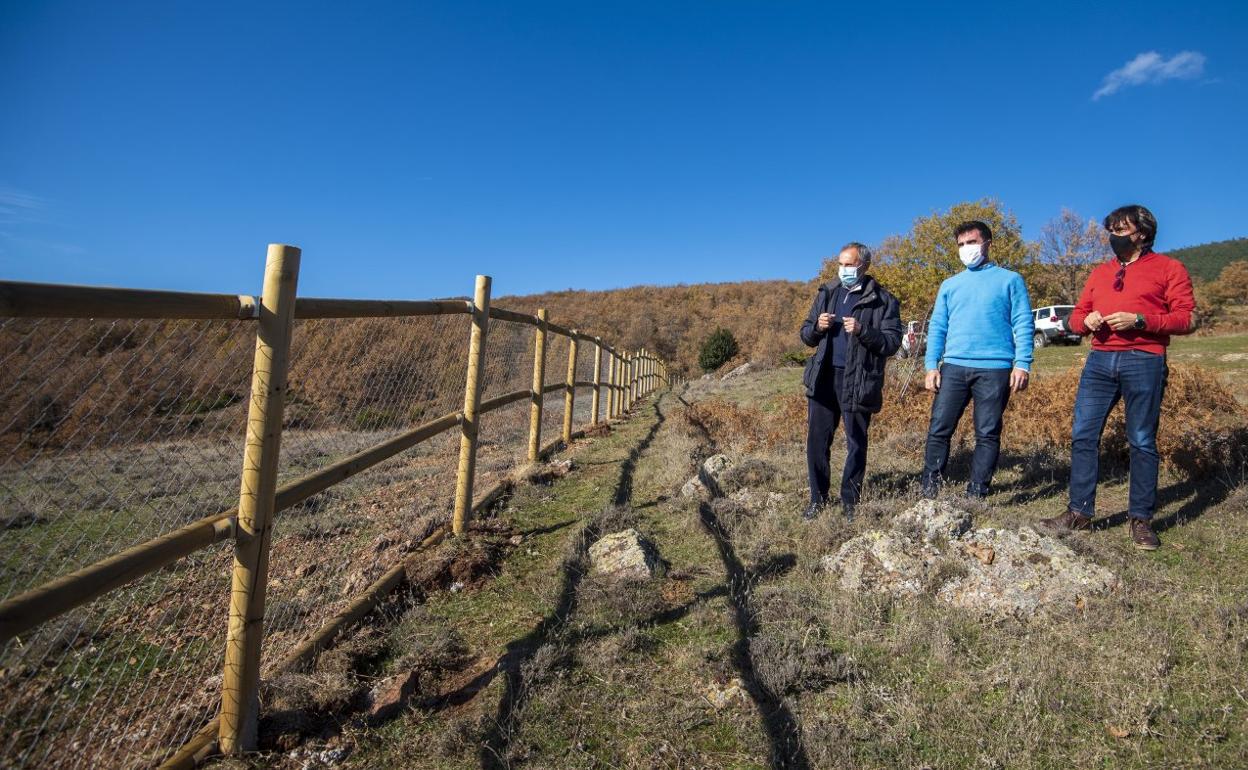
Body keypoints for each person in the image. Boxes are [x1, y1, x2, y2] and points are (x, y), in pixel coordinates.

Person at [1040, 204, 1195, 551]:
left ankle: (1140, 519)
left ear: (1142, 232)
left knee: (1141, 439)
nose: (1113, 236)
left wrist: (1141, 321)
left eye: (1121, 230)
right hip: (1099, 361)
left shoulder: (1170, 268)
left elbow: (1186, 318)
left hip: (1145, 360)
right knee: (1083, 434)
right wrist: (1086, 322)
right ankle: (1078, 513)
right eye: (1111, 229)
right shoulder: (1099, 272)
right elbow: (1075, 319)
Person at [921, 220, 1033, 499]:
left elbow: (1023, 322)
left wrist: (1022, 363)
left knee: (987, 432)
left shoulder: (1010, 280)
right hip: (954, 367)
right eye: (960, 245)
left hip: (995, 368)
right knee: (939, 428)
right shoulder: (950, 285)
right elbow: (938, 326)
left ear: (987, 244)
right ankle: (929, 487)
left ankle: (977, 490)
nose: (966, 249)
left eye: (971, 242)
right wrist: (931, 365)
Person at [799, 242, 903, 520]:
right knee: (817, 441)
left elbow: (892, 343)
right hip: (823, 377)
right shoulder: (827, 293)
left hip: (858, 379)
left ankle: (850, 502)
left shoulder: (883, 300)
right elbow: (805, 334)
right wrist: (817, 328)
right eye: (841, 264)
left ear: (864, 266)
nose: (844, 269)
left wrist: (863, 331)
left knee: (856, 442)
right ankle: (817, 499)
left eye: (849, 264)